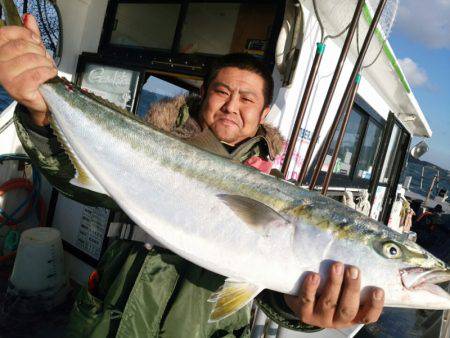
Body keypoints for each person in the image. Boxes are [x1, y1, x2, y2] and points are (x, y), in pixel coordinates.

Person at [0, 14, 384, 337]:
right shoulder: (151, 143)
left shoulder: (280, 189)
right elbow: (74, 179)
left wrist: (298, 309)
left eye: (247, 99)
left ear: (264, 114)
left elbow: (272, 292)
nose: (232, 106)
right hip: (112, 320)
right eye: (222, 92)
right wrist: (40, 112)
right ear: (204, 95)